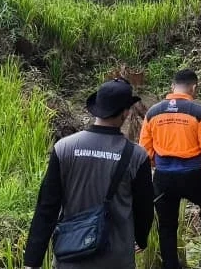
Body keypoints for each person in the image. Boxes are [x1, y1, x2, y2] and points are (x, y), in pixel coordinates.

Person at [23, 79, 154, 269]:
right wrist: (141, 238)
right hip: (116, 259)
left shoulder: (64, 148)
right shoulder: (137, 156)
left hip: (70, 255)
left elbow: (47, 207)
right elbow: (144, 208)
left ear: (97, 108)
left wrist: (32, 261)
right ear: (125, 113)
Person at [140, 69, 201, 269]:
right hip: (193, 175)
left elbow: (144, 150)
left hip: (163, 178)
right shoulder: (198, 113)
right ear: (193, 87)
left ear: (172, 86)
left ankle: (171, 264)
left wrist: (157, 165)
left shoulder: (153, 112)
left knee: (167, 224)